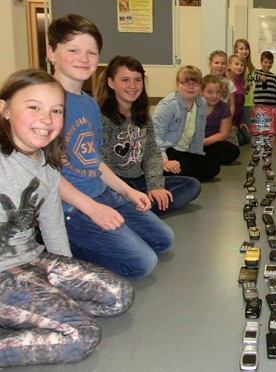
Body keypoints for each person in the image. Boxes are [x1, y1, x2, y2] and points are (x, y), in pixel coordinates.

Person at [0, 68, 134, 367]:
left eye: (56, 110)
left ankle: (28, 313)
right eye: (33, 107)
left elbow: (52, 225)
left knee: (118, 296)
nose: (46, 119)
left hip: (33, 262)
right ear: (4, 109)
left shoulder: (47, 167)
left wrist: (63, 275)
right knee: (81, 336)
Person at [48, 14, 174, 280]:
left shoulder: (88, 103)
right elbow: (44, 173)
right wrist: (92, 209)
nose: (83, 58)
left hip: (102, 191)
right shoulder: (46, 102)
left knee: (163, 239)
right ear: (51, 53)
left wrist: (128, 191)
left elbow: (93, 159)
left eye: (91, 52)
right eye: (73, 50)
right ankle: (63, 252)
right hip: (71, 207)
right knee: (142, 263)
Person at [97, 55, 201, 216]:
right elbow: (101, 164)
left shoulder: (143, 116)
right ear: (111, 82)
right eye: (125, 80)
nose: (132, 85)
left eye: (137, 80)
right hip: (115, 184)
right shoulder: (102, 118)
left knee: (191, 185)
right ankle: (135, 208)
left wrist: (155, 186)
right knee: (108, 197)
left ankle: (134, 209)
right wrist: (126, 191)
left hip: (140, 180)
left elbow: (152, 153)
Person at [152, 65, 221, 181]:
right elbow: (155, 138)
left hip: (185, 151)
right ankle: (161, 169)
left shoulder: (201, 103)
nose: (191, 87)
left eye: (195, 83)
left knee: (213, 167)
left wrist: (197, 157)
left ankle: (181, 173)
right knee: (184, 170)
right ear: (178, 84)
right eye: (186, 83)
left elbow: (199, 134)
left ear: (200, 86)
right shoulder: (167, 106)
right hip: (168, 149)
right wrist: (164, 161)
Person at [202, 74, 240, 164]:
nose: (214, 96)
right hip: (193, 142)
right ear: (201, 91)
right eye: (209, 92)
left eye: (218, 92)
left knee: (233, 151)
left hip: (211, 142)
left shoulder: (224, 107)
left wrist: (204, 142)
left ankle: (203, 157)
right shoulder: (195, 105)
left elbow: (223, 134)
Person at [208, 50, 238, 146]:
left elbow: (232, 104)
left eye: (223, 63)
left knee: (234, 145)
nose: (220, 66)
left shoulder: (229, 83)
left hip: (224, 119)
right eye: (216, 63)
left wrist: (229, 120)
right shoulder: (204, 82)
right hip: (208, 119)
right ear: (210, 64)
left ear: (227, 66)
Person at [254, 51, 276, 130]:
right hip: (260, 106)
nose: (267, 65)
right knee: (260, 126)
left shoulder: (274, 77)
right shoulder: (256, 73)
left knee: (274, 126)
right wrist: (259, 76)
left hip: (272, 107)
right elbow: (251, 77)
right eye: (265, 62)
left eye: (270, 63)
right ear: (261, 62)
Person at [227, 54, 251, 145]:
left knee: (247, 138)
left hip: (237, 120)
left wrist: (242, 122)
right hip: (229, 120)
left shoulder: (242, 82)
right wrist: (231, 124)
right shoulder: (227, 82)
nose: (239, 67)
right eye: (236, 64)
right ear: (229, 66)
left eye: (242, 65)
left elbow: (241, 107)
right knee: (240, 140)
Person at [234, 39, 256, 132]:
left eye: (246, 48)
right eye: (241, 48)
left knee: (248, 128)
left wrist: (252, 103)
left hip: (248, 103)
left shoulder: (251, 69)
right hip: (237, 102)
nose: (244, 51)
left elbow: (252, 88)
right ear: (236, 50)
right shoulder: (236, 68)